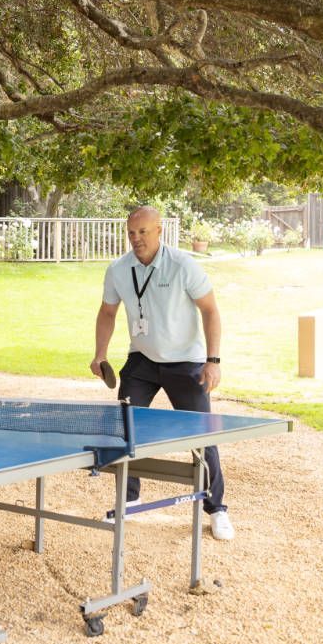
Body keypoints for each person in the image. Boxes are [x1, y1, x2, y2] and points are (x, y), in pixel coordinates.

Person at [90, 206, 232, 541]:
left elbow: (210, 310)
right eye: (131, 233)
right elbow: (108, 312)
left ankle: (216, 508)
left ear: (159, 231)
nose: (136, 239)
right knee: (126, 429)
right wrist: (99, 354)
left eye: (143, 232)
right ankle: (129, 498)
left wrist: (213, 360)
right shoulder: (118, 269)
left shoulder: (183, 265)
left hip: (186, 362)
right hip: (141, 361)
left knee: (202, 435)